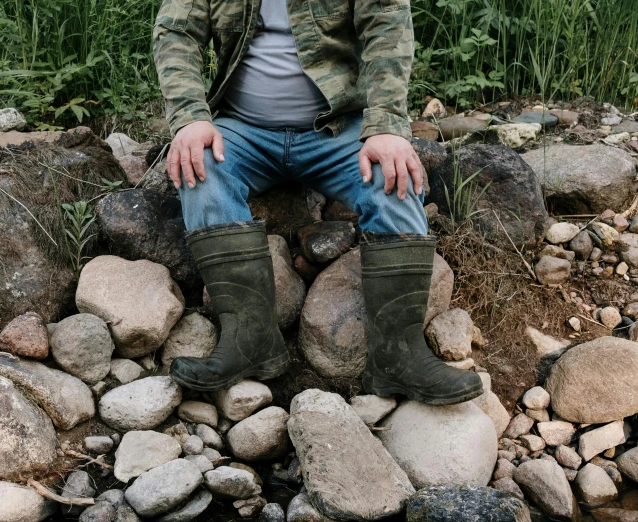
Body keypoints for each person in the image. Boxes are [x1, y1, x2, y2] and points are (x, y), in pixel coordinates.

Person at [153, 0, 483, 404]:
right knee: (199, 167)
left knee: (392, 177)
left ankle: (399, 358)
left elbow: (387, 23)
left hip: (339, 127)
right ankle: (251, 343)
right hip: (241, 129)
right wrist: (190, 118)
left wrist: (386, 124)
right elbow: (176, 31)